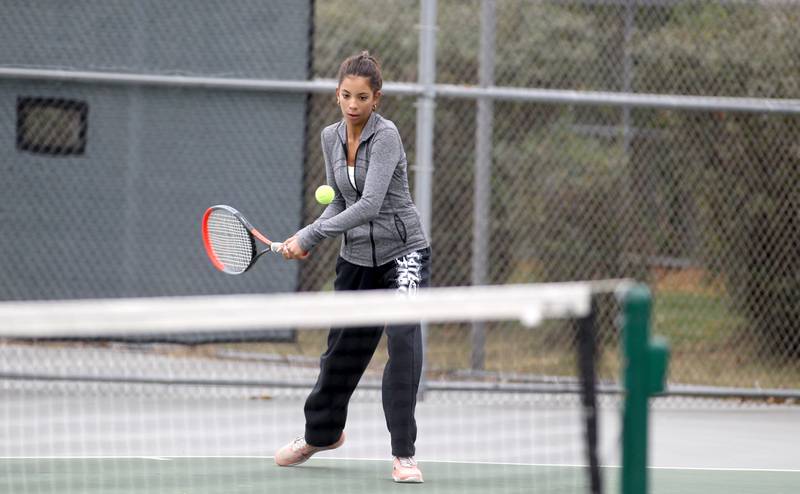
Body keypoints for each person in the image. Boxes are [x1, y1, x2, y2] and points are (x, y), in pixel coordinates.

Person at [275, 51, 431, 484]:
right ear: (337, 94)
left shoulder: (387, 137)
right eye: (346, 95)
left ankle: (404, 454)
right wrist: (308, 237)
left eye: (362, 97)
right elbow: (341, 203)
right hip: (356, 260)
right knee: (340, 352)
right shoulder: (330, 137)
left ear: (376, 99)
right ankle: (320, 435)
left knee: (403, 345)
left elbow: (370, 204)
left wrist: (308, 235)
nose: (353, 105)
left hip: (405, 256)